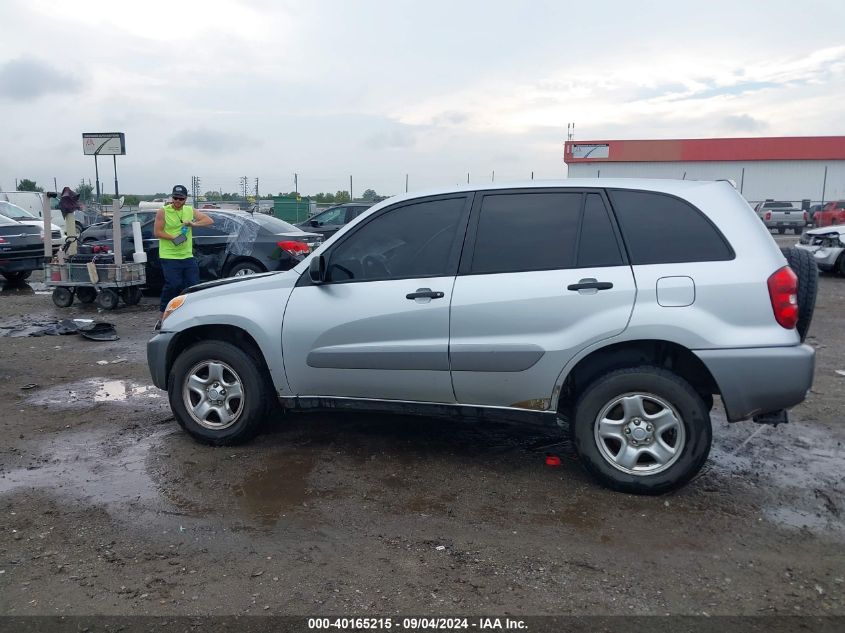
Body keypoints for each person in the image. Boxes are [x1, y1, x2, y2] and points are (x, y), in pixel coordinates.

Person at [154, 184, 213, 323]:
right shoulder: (163, 211)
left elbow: (209, 220)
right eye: (175, 198)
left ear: (185, 199)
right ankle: (163, 313)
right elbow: (157, 232)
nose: (177, 201)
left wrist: (194, 224)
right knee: (173, 284)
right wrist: (173, 237)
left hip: (187, 255)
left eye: (181, 199)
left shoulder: (189, 210)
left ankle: (191, 313)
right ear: (171, 197)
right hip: (169, 255)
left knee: (193, 285)